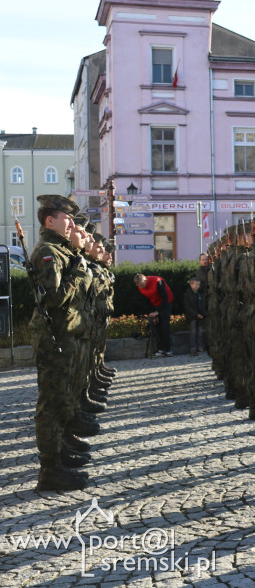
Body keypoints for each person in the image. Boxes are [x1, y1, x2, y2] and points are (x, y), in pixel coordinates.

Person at [30, 195, 92, 491]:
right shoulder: (47, 252)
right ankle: (50, 469)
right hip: (54, 336)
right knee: (52, 402)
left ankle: (60, 452)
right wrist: (78, 270)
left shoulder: (61, 250)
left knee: (64, 397)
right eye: (66, 219)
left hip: (67, 333)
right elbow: (53, 298)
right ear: (49, 220)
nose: (71, 224)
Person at [134, 273, 174, 355]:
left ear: (145, 279)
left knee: (164, 326)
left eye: (142, 284)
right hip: (154, 304)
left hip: (166, 303)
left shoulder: (157, 282)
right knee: (155, 327)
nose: (141, 287)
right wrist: (151, 313)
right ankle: (160, 349)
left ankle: (168, 349)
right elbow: (146, 301)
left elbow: (165, 298)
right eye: (139, 286)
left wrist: (158, 312)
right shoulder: (140, 287)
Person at [182, 276, 207, 355]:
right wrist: (196, 314)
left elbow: (202, 304)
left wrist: (203, 314)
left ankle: (200, 347)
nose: (197, 286)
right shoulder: (188, 294)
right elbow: (187, 306)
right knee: (193, 332)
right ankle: (193, 348)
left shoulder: (200, 294)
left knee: (200, 332)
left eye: (198, 285)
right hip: (192, 316)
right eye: (196, 284)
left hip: (200, 316)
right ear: (191, 285)